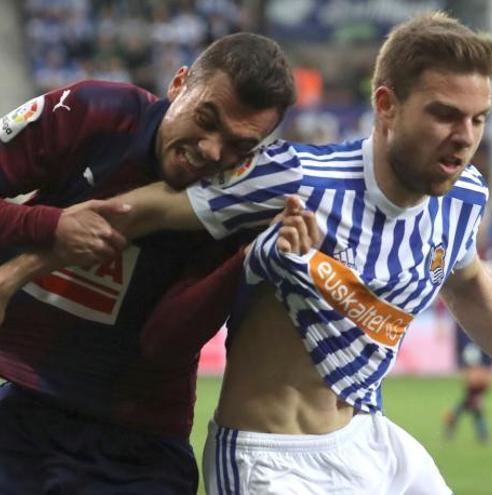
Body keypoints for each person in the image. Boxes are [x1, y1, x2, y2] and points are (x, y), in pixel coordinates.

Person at [0, 11, 492, 493]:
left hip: (368, 438)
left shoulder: (464, 194)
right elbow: (137, 211)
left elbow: (464, 278)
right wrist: (32, 252)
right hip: (271, 458)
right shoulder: (289, 179)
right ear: (385, 105)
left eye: (477, 119)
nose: (463, 136)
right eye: (443, 114)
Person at [0, 32, 294, 494]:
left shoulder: (241, 205)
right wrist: (48, 226)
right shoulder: (92, 112)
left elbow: (164, 341)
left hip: (139, 446)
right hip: (22, 408)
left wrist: (247, 258)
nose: (212, 151)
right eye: (206, 118)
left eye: (239, 145)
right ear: (178, 84)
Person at [443, 211, 492, 444]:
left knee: (485, 382)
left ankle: (454, 415)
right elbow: (446, 285)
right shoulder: (460, 249)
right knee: (474, 380)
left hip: (491, 323)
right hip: (466, 324)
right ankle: (482, 430)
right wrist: (441, 318)